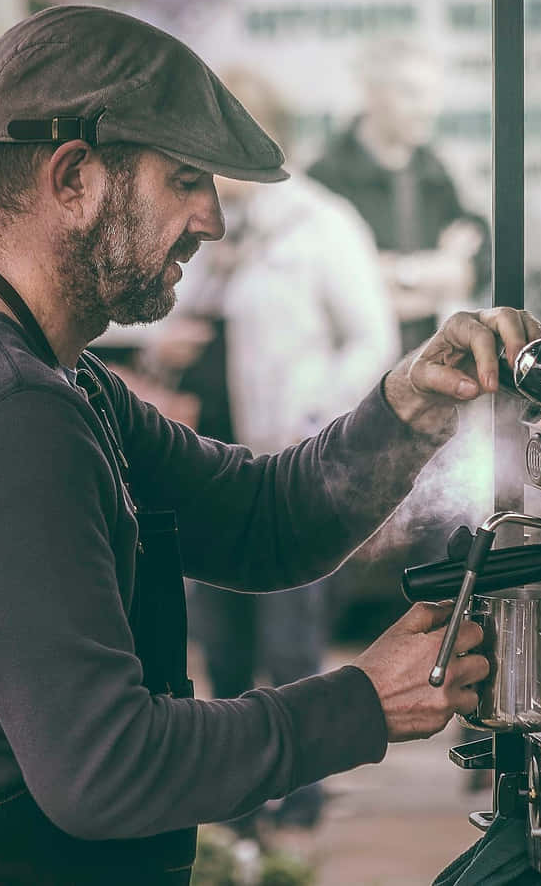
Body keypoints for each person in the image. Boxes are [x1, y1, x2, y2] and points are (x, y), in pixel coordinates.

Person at [0, 5, 541, 886]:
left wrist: (411, 404)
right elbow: (104, 769)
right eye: (184, 178)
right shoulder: (14, 411)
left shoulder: (71, 387)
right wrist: (359, 702)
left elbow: (261, 521)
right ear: (75, 178)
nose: (214, 219)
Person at [157, 66, 400, 829]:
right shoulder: (213, 231)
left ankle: (300, 802)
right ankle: (238, 806)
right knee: (220, 647)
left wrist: (313, 411)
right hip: (210, 466)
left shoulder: (324, 225)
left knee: (292, 644)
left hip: (287, 466)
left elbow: (374, 338)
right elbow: (169, 316)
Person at [308, 38, 491, 354]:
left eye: (433, 94)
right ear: (372, 94)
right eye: (411, 93)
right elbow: (327, 290)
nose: (427, 108)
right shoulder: (324, 179)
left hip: (430, 365)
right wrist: (436, 272)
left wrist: (397, 274)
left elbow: (477, 268)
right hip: (351, 378)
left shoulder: (436, 176)